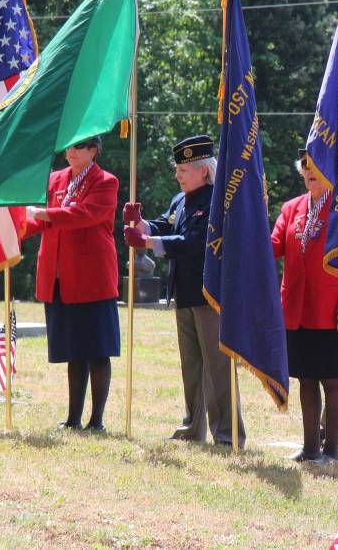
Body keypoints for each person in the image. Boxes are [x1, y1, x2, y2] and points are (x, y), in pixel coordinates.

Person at [123, 135, 246, 448]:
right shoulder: (181, 200)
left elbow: (194, 243)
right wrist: (142, 225)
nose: (177, 175)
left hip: (210, 294)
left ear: (203, 171)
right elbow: (167, 225)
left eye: (184, 169)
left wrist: (148, 243)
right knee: (191, 365)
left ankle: (227, 433)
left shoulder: (215, 201)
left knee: (217, 368)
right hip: (184, 292)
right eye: (177, 169)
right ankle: (193, 426)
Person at [271, 149, 338, 464]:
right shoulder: (291, 208)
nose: (311, 171)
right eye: (306, 167)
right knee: (306, 379)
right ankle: (310, 448)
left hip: (331, 310)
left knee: (331, 379)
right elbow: (273, 248)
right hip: (296, 310)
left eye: (317, 167)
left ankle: (332, 450)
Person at [25, 135, 120, 432]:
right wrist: (7, 235)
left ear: (94, 150)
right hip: (58, 275)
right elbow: (36, 222)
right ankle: (73, 418)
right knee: (73, 350)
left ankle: (97, 420)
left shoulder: (106, 181)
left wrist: (44, 213)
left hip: (91, 276)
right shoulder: (55, 180)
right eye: (69, 145)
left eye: (79, 146)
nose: (71, 151)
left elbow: (85, 215)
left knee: (97, 349)